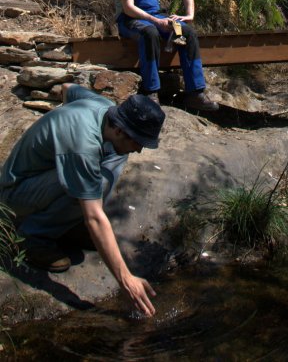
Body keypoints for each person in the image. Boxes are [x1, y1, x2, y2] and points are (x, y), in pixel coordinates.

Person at [0, 84, 165, 317]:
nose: (139, 150)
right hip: (15, 193)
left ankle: (65, 223)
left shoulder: (106, 109)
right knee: (95, 182)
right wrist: (125, 278)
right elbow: (95, 219)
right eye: (138, 141)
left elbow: (69, 89)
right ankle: (34, 237)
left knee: (116, 157)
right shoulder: (83, 147)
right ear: (119, 130)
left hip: (43, 178)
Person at [114, 0, 218, 111]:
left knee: (187, 33)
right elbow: (128, 7)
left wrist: (189, 15)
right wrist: (156, 21)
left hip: (158, 17)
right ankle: (151, 92)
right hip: (131, 20)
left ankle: (195, 93)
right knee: (149, 33)